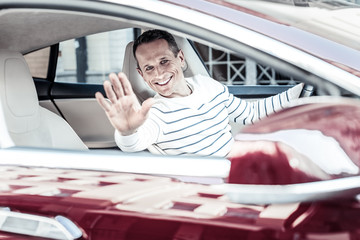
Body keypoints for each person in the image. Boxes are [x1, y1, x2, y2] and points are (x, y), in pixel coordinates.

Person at [95, 29, 304, 157]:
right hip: (204, 188)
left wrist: (301, 92)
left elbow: (250, 113)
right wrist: (126, 131)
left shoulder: (207, 86)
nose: (158, 73)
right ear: (141, 74)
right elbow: (133, 144)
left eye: (164, 61)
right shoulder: (154, 114)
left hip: (238, 170)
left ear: (181, 59)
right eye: (149, 68)